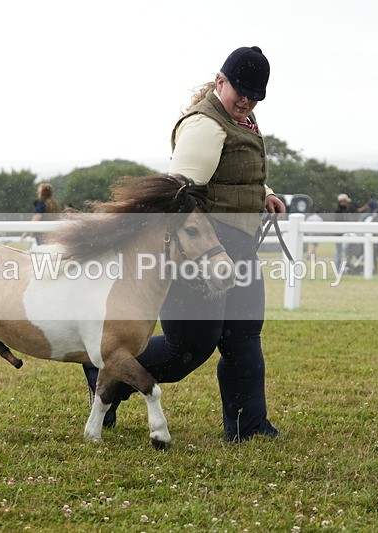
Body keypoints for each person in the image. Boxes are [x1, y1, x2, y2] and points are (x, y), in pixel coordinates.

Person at [83, 45, 285, 442]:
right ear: (220, 81)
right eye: (239, 90)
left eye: (255, 94)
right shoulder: (203, 126)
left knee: (244, 335)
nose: (246, 100)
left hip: (238, 246)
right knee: (186, 350)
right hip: (203, 248)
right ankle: (106, 370)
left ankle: (250, 427)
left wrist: (264, 192)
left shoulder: (243, 120)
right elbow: (181, 195)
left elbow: (234, 173)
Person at [334, 193, 354, 267]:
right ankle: (337, 268)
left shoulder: (343, 210)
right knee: (339, 252)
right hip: (340, 234)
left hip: (344, 234)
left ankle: (343, 267)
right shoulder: (339, 211)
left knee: (344, 252)